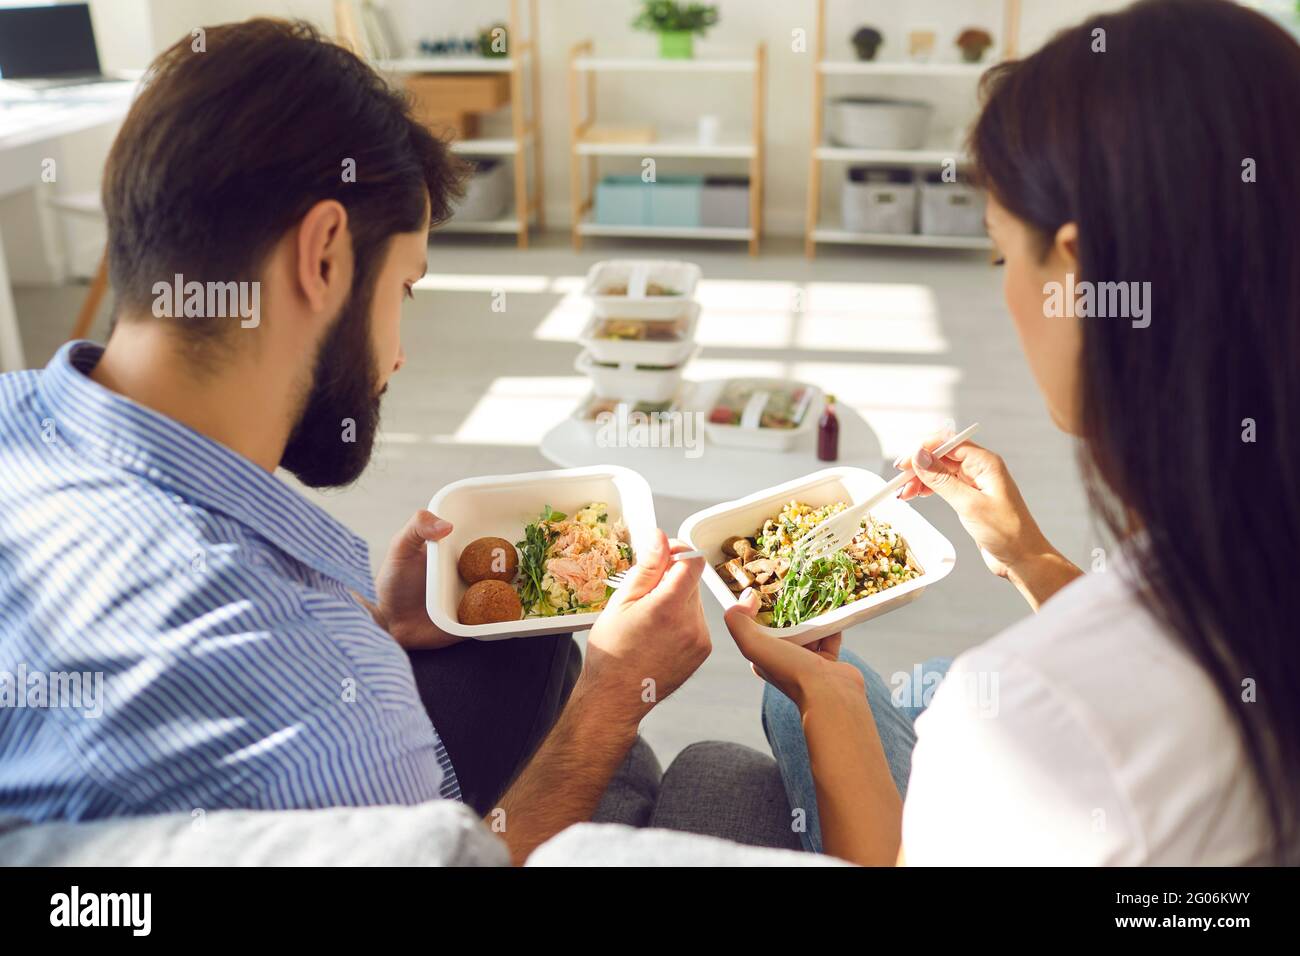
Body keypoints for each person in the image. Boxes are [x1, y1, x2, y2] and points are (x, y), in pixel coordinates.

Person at [0, 19, 712, 865]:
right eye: (405, 287)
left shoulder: (17, 413)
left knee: (524, 644)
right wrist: (611, 701)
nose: (401, 353)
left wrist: (380, 626)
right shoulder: (304, 682)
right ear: (325, 253)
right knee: (606, 703)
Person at [728, 0, 1300, 865]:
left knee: (786, 721)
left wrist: (826, 698)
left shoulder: (1035, 720)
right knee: (924, 686)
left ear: (1080, 274)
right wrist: (1028, 555)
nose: (1003, 292)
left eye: (1001, 255)